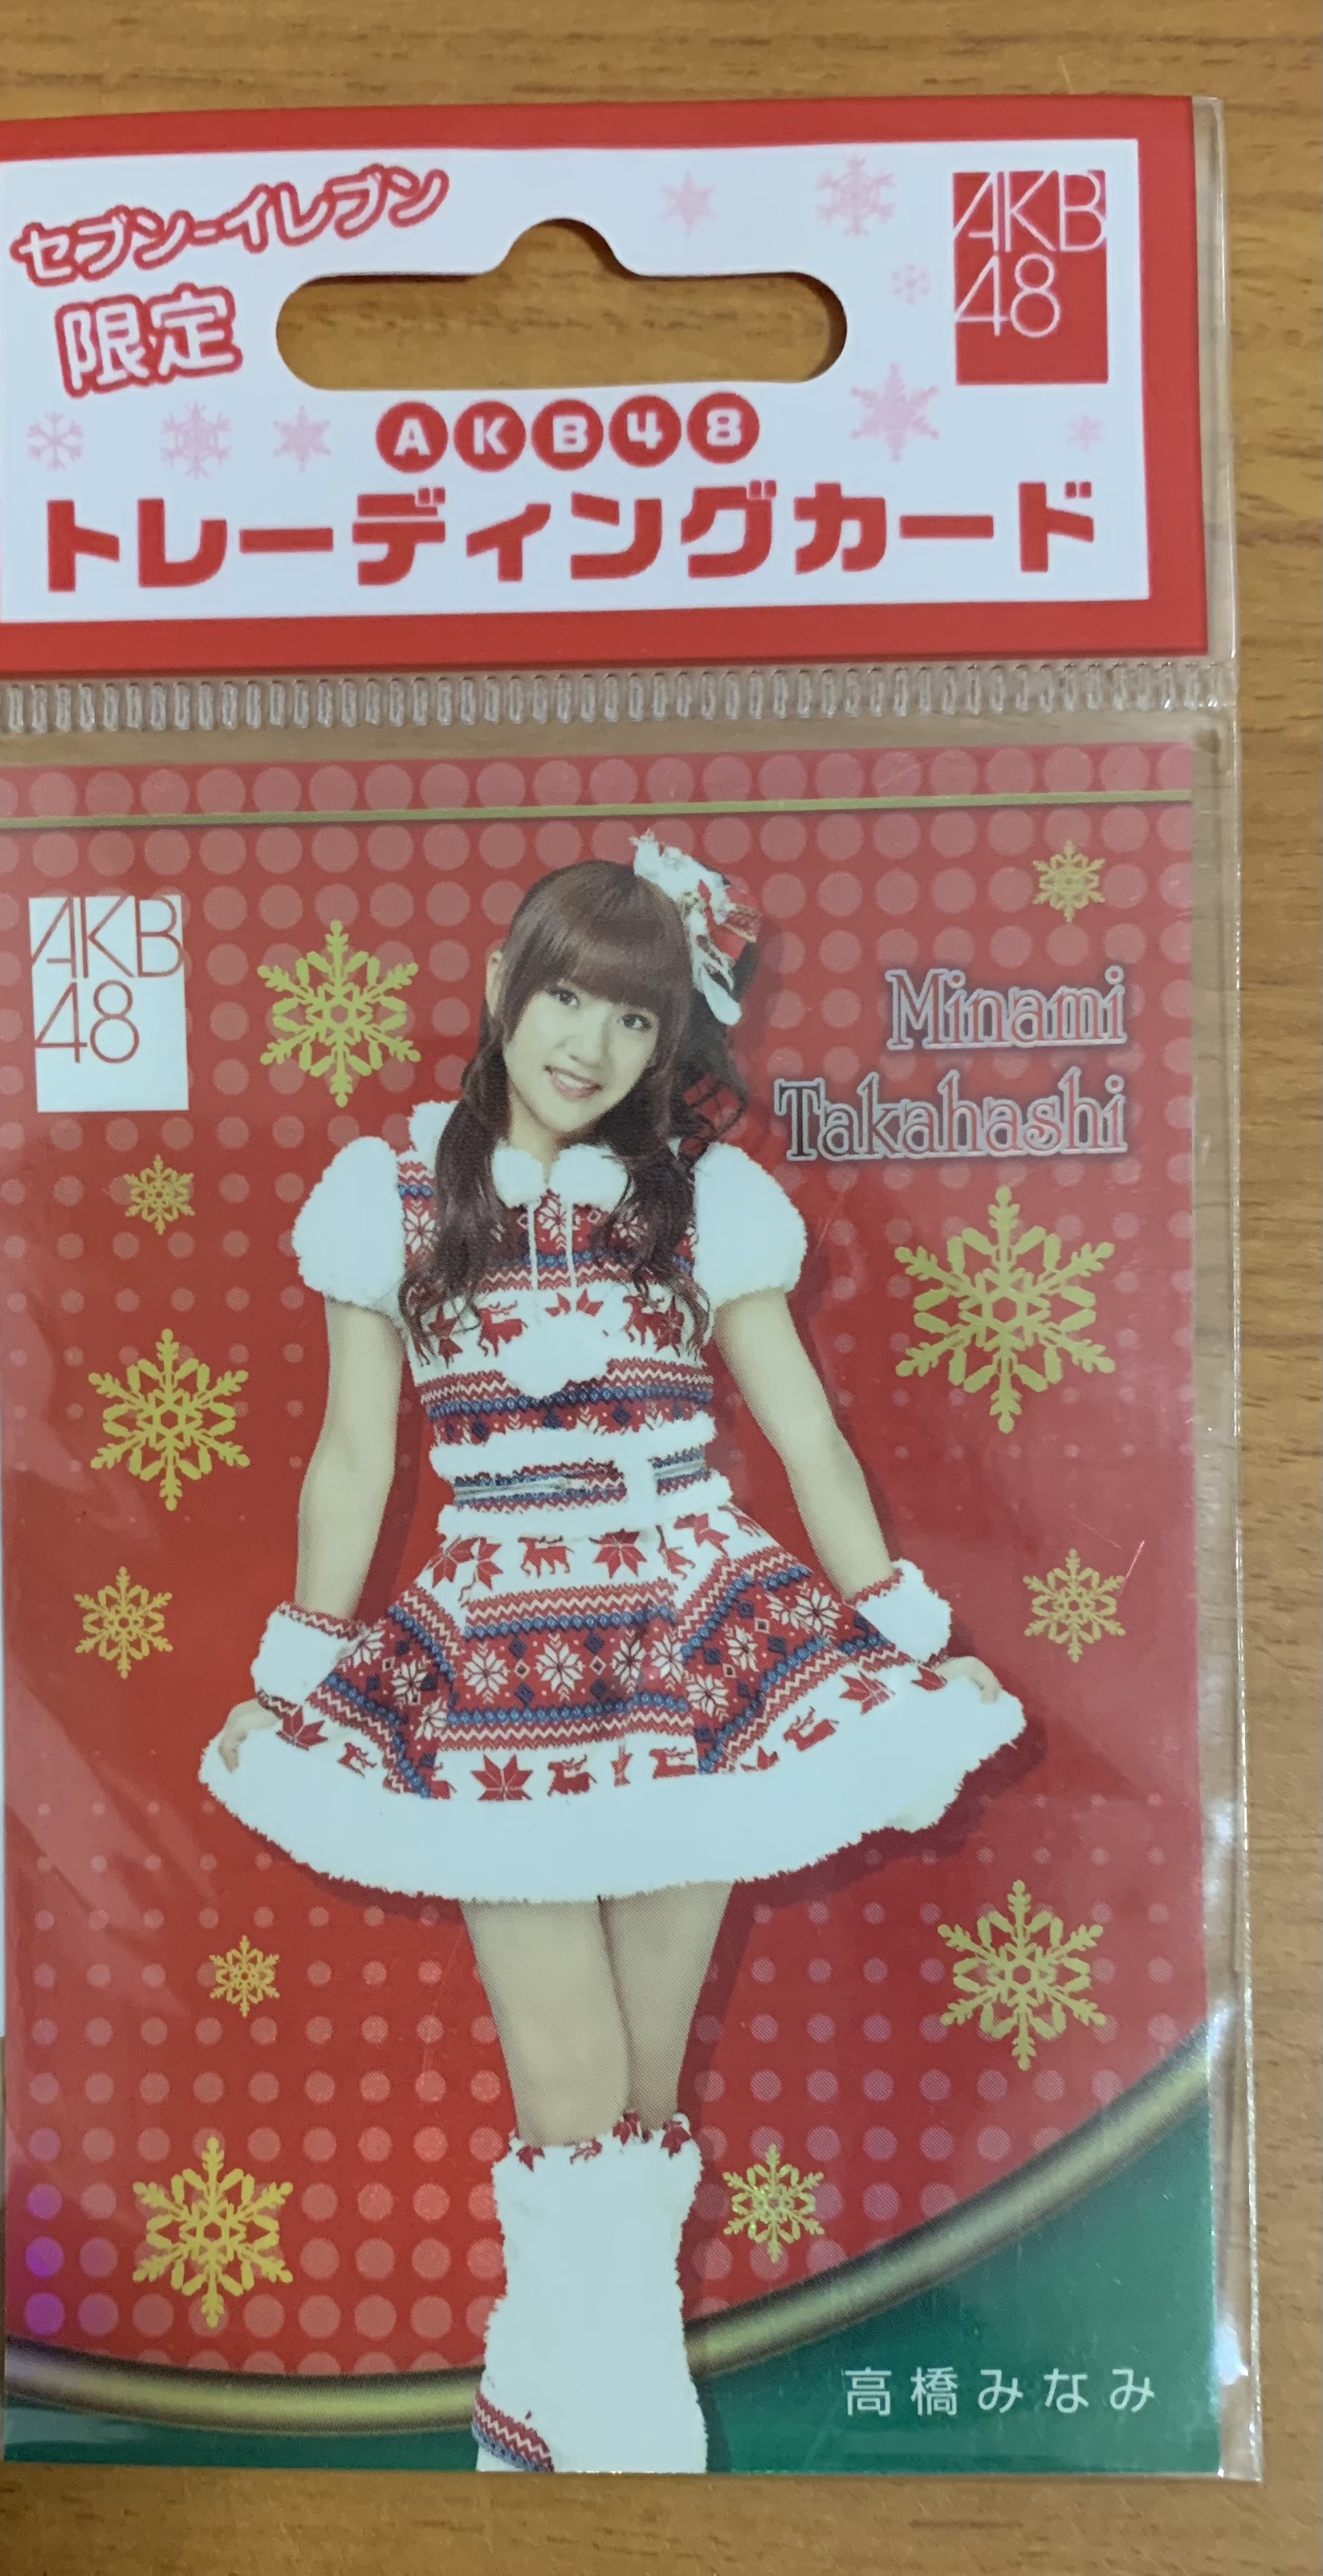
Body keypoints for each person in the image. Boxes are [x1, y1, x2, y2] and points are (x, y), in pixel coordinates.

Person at [203, 839, 1025, 2474]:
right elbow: (354, 1459)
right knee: (572, 2077)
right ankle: (637, 2429)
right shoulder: (389, 1197)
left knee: (640, 2080)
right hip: (497, 1652)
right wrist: (296, 1665)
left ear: (671, 1041)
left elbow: (804, 1431)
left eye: (637, 1019)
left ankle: (534, 2401)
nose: (590, 1043)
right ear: (502, 987)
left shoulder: (701, 1201)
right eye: (568, 997)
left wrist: (898, 1623)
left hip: (693, 1637)